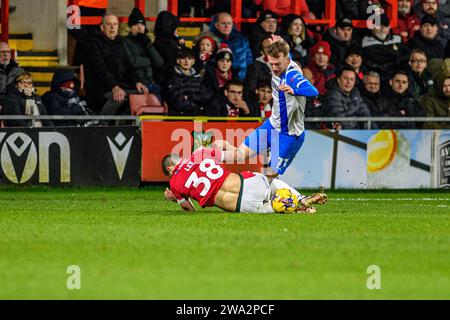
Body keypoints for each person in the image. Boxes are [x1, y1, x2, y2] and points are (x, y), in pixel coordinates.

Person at [214, 36, 319, 177]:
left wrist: (295, 91)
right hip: (271, 125)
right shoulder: (283, 60)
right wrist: (279, 43)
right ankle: (204, 157)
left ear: (287, 61)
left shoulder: (292, 76)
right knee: (240, 154)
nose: (274, 68)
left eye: (278, 64)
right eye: (272, 64)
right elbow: (285, 53)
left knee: (270, 175)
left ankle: (294, 198)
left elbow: (313, 91)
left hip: (289, 135)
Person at [162, 148, 327, 213]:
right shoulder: (199, 154)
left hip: (240, 205)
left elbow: (190, 210)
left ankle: (296, 209)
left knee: (269, 209)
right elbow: (234, 155)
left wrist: (174, 198)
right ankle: (300, 199)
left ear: (170, 169)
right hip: (245, 183)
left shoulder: (174, 184)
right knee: (272, 184)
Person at [84, 13, 148, 114]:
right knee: (118, 97)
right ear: (102, 27)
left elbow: (128, 66)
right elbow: (100, 69)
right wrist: (114, 86)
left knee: (143, 92)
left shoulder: (120, 43)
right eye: (109, 24)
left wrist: (137, 82)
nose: (112, 27)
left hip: (120, 85)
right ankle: (101, 124)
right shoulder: (93, 43)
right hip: (100, 87)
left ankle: (131, 125)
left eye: (115, 24)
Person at [121, 8, 164, 101]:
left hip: (151, 83)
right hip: (135, 84)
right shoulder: (124, 41)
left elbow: (159, 63)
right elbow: (132, 62)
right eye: (136, 24)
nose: (140, 27)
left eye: (142, 24)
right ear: (130, 27)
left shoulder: (148, 41)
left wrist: (147, 44)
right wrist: (150, 60)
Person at [163, 48, 213, 116]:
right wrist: (197, 107)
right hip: (179, 117)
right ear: (178, 61)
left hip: (198, 114)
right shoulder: (172, 78)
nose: (186, 61)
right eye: (183, 58)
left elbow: (207, 96)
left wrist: (190, 96)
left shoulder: (198, 78)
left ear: (193, 61)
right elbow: (178, 101)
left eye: (189, 59)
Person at [362, 14, 410, 83]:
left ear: (389, 27)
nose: (382, 28)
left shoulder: (398, 39)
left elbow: (408, 55)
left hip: (397, 76)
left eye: (385, 26)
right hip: (375, 78)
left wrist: (396, 61)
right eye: (379, 25)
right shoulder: (365, 42)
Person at [209, 12, 253, 80]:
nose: (226, 26)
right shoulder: (209, 41)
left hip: (242, 80)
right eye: (223, 23)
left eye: (229, 23)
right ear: (216, 25)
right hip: (218, 80)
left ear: (232, 25)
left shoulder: (242, 40)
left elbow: (249, 61)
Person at [153, 11, 186, 85]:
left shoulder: (164, 41)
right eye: (175, 28)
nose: (177, 31)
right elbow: (171, 64)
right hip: (169, 81)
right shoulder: (165, 44)